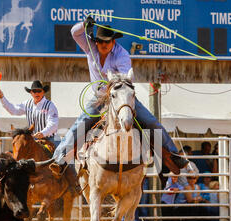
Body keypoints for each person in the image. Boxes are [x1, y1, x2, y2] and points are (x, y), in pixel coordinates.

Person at [49, 16, 188, 179]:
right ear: (97, 41)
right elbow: (74, 33)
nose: (103, 45)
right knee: (81, 123)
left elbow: (125, 79)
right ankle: (59, 159)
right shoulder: (90, 48)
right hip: (100, 98)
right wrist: (84, 25)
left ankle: (173, 155)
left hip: (121, 97)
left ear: (113, 42)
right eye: (100, 41)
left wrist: (110, 81)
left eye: (107, 42)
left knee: (150, 121)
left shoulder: (121, 54)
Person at [0, 80, 60, 147]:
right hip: (33, 139)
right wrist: (2, 98)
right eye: (34, 91)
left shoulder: (50, 105)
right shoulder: (27, 104)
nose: (36, 93)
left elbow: (53, 124)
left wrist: (43, 133)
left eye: (39, 91)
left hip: (49, 138)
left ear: (43, 92)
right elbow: (13, 110)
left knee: (60, 154)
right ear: (31, 93)